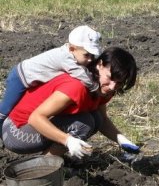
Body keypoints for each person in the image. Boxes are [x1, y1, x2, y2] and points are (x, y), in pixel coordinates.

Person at [2, 47, 140, 158]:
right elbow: (35, 118)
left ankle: (52, 159)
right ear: (99, 65)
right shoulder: (76, 87)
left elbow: (103, 120)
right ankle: (45, 166)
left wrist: (121, 139)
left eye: (119, 83)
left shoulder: (103, 90)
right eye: (110, 78)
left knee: (96, 119)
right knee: (83, 123)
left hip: (32, 126)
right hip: (15, 131)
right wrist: (67, 140)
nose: (112, 87)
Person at [0, 25, 101, 135]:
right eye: (87, 55)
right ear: (72, 49)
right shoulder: (65, 58)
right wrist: (95, 87)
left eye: (92, 55)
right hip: (19, 77)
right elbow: (80, 73)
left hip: (28, 78)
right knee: (6, 109)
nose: (90, 59)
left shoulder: (71, 53)